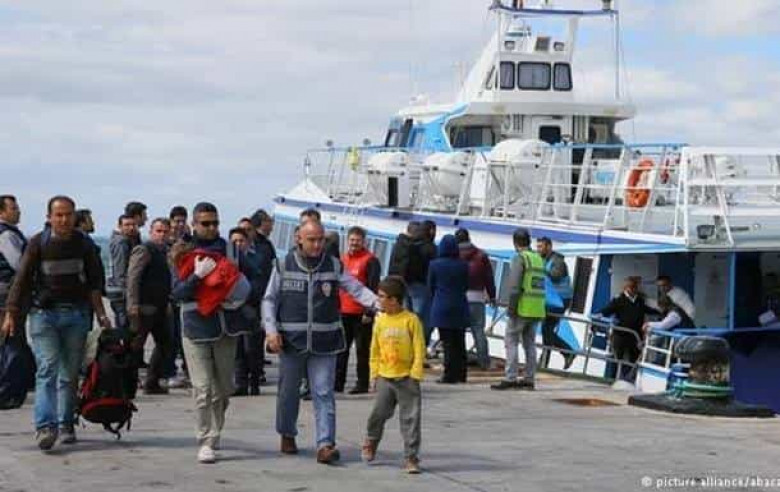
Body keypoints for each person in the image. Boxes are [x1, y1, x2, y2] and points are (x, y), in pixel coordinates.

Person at [262, 220, 379, 464]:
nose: (317, 245)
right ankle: (287, 433)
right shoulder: (283, 265)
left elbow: (356, 289)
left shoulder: (334, 265)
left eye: (320, 240)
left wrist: (380, 304)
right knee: (288, 392)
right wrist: (271, 331)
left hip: (325, 342)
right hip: (291, 343)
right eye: (312, 240)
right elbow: (269, 300)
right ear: (299, 239)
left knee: (324, 392)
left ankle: (326, 444)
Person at [1, 196, 111, 450]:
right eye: (58, 215)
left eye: (68, 214)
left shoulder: (84, 244)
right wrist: (11, 312)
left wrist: (101, 314)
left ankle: (65, 423)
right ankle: (45, 427)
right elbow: (22, 278)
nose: (63, 220)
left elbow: (94, 282)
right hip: (44, 315)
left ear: (74, 216)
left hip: (76, 315)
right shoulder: (38, 243)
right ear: (49, 217)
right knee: (47, 368)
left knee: (69, 373)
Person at [171, 202, 254, 464]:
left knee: (224, 389)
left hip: (226, 326)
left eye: (215, 223)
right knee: (203, 388)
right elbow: (176, 293)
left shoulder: (232, 250)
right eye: (205, 223)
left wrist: (240, 296)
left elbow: (255, 278)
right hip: (195, 327)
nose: (211, 228)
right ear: (194, 224)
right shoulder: (181, 251)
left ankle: (215, 431)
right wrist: (196, 277)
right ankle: (205, 438)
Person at [361, 276, 425, 474]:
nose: (379, 300)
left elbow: (419, 347)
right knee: (378, 414)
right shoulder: (380, 321)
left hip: (406, 378)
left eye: (382, 296)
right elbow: (375, 350)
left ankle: (411, 457)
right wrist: (374, 375)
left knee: (411, 419)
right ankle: (371, 441)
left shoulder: (411, 320)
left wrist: (415, 373)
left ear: (394, 299)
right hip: (384, 377)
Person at [492, 229, 546, 391]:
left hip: (522, 308)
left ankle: (511, 377)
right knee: (529, 344)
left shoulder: (520, 258)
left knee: (511, 340)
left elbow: (515, 287)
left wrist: (511, 308)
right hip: (537, 308)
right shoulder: (538, 258)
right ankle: (529, 378)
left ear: (515, 243)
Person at [126, 218, 174, 395]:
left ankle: (152, 381)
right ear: (151, 232)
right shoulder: (144, 249)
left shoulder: (165, 251)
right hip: (144, 306)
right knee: (135, 346)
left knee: (166, 343)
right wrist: (133, 304)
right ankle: (128, 384)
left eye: (165, 231)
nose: (162, 235)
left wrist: (168, 302)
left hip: (160, 305)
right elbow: (133, 277)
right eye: (158, 231)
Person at [335, 226, 381, 394]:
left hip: (361, 314)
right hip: (344, 311)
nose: (354, 243)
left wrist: (369, 311)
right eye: (352, 240)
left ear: (364, 242)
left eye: (358, 240)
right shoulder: (342, 259)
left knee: (362, 350)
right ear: (348, 240)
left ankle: (362, 383)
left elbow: (373, 287)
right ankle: (337, 382)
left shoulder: (371, 260)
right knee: (341, 349)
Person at [596, 276, 658, 382]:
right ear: (626, 288)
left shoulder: (639, 301)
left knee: (634, 358)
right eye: (630, 287)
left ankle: (628, 379)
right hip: (620, 334)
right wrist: (600, 314)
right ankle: (611, 379)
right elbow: (609, 309)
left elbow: (646, 310)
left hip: (635, 334)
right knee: (616, 357)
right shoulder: (619, 300)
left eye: (634, 287)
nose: (633, 289)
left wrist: (659, 313)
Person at [428, 234, 470, 384]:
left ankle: (449, 375)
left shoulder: (434, 265)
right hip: (460, 305)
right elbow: (466, 285)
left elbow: (430, 286)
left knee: (447, 342)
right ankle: (461, 374)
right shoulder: (463, 265)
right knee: (460, 341)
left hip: (442, 306)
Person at [454, 228, 496, 371]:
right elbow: (489, 278)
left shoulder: (453, 255)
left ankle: (458, 360)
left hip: (458, 297)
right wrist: (492, 296)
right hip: (477, 298)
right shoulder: (481, 255)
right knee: (478, 331)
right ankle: (484, 362)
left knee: (457, 330)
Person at [228, 227, 262, 396]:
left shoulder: (256, 259)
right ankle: (240, 383)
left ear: (248, 243)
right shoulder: (227, 259)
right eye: (234, 241)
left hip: (250, 307)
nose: (238, 244)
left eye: (241, 241)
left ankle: (254, 380)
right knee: (237, 348)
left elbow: (260, 281)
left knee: (251, 348)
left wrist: (248, 296)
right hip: (233, 309)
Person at [388, 222, 433, 342]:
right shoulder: (415, 246)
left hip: (399, 284)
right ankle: (417, 342)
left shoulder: (398, 243)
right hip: (415, 283)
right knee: (419, 316)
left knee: (405, 313)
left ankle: (404, 340)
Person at [536, 237, 575, 370]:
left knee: (546, 329)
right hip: (551, 300)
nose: (538, 249)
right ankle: (545, 361)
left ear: (549, 247)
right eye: (537, 246)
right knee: (546, 330)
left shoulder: (558, 261)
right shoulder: (544, 260)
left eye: (541, 247)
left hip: (560, 301)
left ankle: (567, 352)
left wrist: (540, 269)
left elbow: (556, 276)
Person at [249, 209, 277, 385]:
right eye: (269, 222)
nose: (272, 225)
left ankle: (257, 368)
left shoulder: (266, 244)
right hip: (257, 294)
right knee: (254, 336)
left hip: (264, 293)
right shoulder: (257, 245)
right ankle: (254, 370)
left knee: (259, 335)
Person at [107, 214, 139, 337]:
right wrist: (128, 293)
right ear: (120, 226)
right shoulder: (122, 242)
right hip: (120, 291)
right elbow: (121, 270)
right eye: (127, 225)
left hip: (115, 289)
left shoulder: (122, 240)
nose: (131, 228)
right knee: (124, 325)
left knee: (123, 323)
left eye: (133, 225)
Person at [643, 295, 695, 366]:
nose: (660, 310)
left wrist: (648, 324)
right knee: (664, 358)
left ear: (664, 306)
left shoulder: (674, 314)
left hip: (685, 342)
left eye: (660, 307)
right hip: (683, 342)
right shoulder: (675, 310)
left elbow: (663, 326)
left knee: (663, 360)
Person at [0, 195, 26, 332]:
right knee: (11, 332)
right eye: (13, 208)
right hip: (6, 290)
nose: (18, 211)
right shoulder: (6, 234)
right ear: (1, 212)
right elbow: (18, 264)